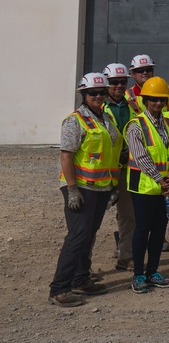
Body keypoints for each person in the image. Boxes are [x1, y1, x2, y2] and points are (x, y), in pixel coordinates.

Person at [49, 73, 118, 307]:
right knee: (77, 236)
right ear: (84, 95)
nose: (98, 96)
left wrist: (112, 185)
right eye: (92, 93)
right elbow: (66, 156)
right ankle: (59, 289)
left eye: (101, 92)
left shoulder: (106, 118)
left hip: (100, 187)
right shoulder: (75, 120)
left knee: (89, 234)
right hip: (81, 187)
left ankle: (80, 278)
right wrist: (72, 190)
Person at [125, 76, 169, 294]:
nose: (158, 103)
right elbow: (141, 157)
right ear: (145, 100)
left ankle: (153, 271)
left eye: (161, 99)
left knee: (160, 229)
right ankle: (138, 274)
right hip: (145, 187)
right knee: (142, 229)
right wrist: (160, 179)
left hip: (167, 185)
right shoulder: (135, 126)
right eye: (153, 99)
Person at [102, 62, 140, 272]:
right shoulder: (97, 106)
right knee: (92, 220)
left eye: (122, 82)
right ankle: (83, 267)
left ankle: (126, 256)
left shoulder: (133, 105)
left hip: (127, 167)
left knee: (128, 214)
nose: (118, 86)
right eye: (114, 82)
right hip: (104, 170)